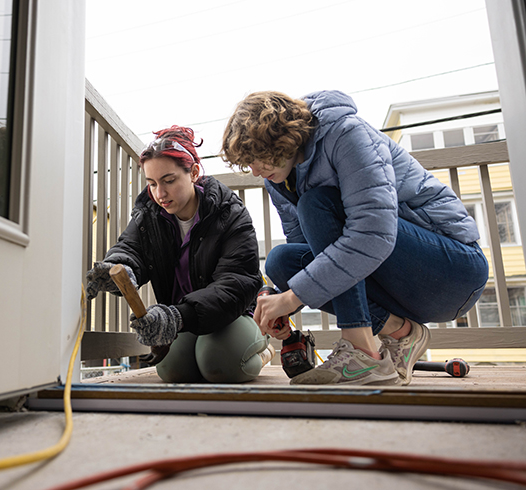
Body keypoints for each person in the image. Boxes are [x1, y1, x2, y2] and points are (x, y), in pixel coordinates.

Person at [221, 90, 489, 386]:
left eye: (258, 157)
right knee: (282, 262)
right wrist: (280, 303)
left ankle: (363, 351)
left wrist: (294, 296)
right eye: (249, 164)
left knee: (316, 203)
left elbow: (374, 236)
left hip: (453, 270)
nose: (256, 171)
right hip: (395, 285)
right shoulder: (279, 179)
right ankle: (401, 333)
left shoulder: (346, 133)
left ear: (284, 137)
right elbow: (311, 252)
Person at [86, 126, 271, 383]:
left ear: (193, 172)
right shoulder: (149, 214)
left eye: (169, 181)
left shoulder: (230, 214)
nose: (160, 194)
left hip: (230, 316)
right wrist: (119, 268)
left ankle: (265, 351)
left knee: (221, 364)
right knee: (174, 371)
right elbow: (130, 248)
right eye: (152, 184)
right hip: (185, 319)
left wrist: (176, 316)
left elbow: (235, 284)